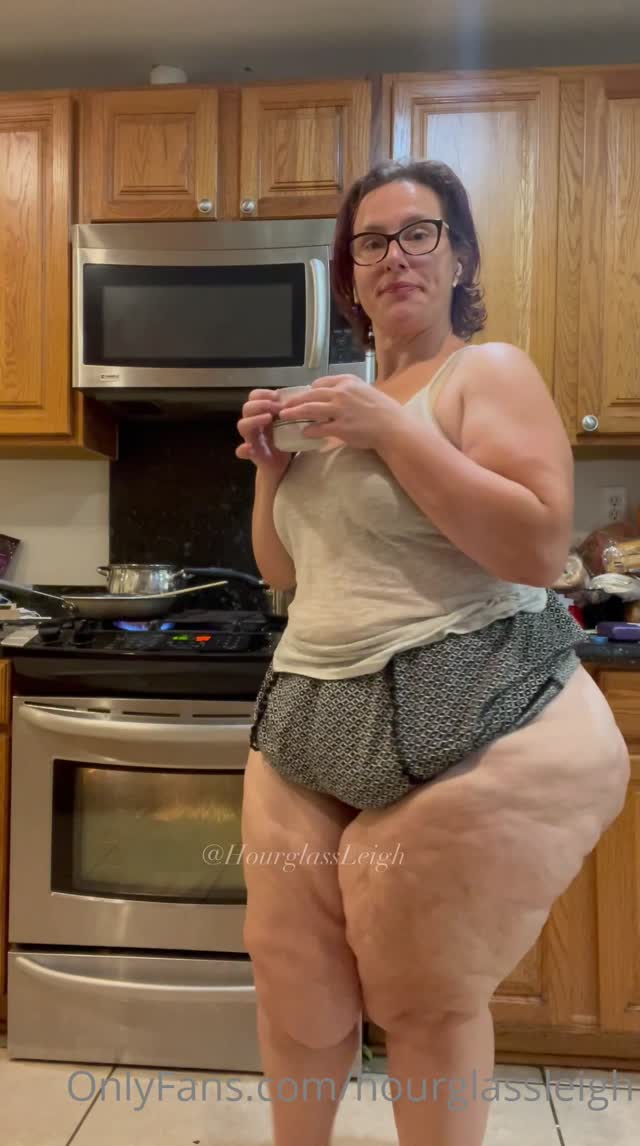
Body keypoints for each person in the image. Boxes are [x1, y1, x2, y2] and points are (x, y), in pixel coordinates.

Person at [234, 158, 630, 1146]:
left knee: (423, 990)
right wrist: (271, 471)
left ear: (458, 257)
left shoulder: (485, 373)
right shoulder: (334, 406)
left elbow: (535, 547)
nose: (396, 257)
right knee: (292, 981)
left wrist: (393, 432)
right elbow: (288, 574)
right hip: (310, 706)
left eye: (420, 233)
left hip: (473, 699)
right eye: (371, 242)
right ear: (350, 273)